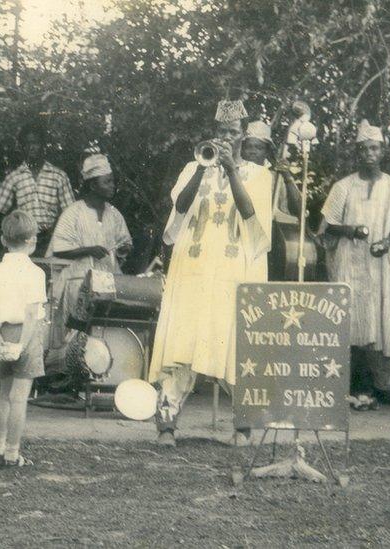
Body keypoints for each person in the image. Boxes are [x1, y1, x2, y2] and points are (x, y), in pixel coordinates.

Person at [149, 100, 274, 447]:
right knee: (182, 341)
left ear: (243, 135)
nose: (225, 137)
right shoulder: (194, 166)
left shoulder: (259, 175)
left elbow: (253, 216)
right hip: (193, 269)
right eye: (221, 131)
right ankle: (167, 427)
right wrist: (205, 168)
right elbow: (180, 207)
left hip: (233, 272)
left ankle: (243, 428)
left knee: (234, 342)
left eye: (232, 133)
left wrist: (232, 170)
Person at [320, 120, 390, 409]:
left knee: (382, 321)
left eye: (374, 148)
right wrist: (352, 231)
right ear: (358, 152)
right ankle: (350, 385)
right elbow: (327, 227)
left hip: (380, 265)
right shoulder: (343, 187)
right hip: (349, 263)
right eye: (364, 149)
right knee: (351, 319)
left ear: (382, 152)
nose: (369, 153)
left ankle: (381, 386)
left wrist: (386, 244)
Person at [0, 210, 47, 467]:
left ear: (2, 240)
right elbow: (32, 314)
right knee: (19, 397)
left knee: (3, 395)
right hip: (25, 337)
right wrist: (22, 344)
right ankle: (12, 453)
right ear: (32, 240)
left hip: (2, 332)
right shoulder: (35, 273)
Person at [47, 153, 133, 339]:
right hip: (77, 282)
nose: (112, 186)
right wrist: (89, 250)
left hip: (108, 282)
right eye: (107, 182)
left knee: (103, 332)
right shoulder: (74, 213)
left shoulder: (114, 214)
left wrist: (123, 249)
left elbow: (124, 242)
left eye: (112, 182)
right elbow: (59, 249)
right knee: (77, 335)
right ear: (93, 185)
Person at [0, 121, 75, 256]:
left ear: (43, 145)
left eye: (36, 143)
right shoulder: (14, 177)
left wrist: (54, 233)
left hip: (53, 240)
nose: (31, 148)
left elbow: (70, 213)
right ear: (21, 147)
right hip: (23, 241)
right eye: (26, 144)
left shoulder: (58, 176)